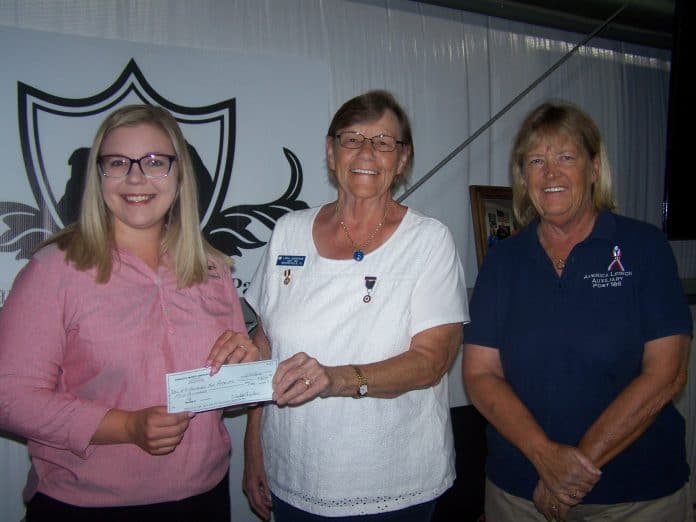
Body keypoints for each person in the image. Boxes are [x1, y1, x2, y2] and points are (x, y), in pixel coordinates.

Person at [0, 104, 259, 521]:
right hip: (84, 507)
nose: (136, 177)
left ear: (179, 175)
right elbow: (9, 397)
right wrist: (126, 427)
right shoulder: (54, 270)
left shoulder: (213, 269)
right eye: (118, 163)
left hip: (204, 501)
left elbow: (222, 402)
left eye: (155, 162)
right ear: (99, 176)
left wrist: (242, 372)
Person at [238, 90, 468, 521]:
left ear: (402, 159)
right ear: (330, 151)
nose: (366, 152)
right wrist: (254, 443)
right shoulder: (289, 231)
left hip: (392, 484)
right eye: (351, 139)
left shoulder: (428, 241)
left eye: (383, 142)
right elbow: (266, 342)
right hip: (293, 473)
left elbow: (431, 361)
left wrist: (336, 379)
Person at [462, 100, 693, 521]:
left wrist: (572, 470)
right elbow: (480, 374)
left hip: (635, 496)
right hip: (520, 492)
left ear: (593, 167)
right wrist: (544, 456)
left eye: (566, 156)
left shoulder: (644, 248)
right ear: (523, 177)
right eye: (536, 161)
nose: (550, 173)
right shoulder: (503, 260)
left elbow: (667, 374)